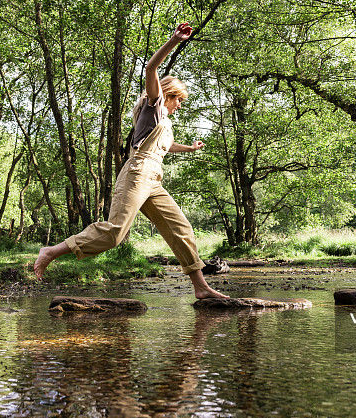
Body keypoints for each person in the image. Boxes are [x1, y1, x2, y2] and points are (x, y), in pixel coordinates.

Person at [34, 22, 228, 300]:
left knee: (181, 228)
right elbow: (151, 68)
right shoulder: (154, 104)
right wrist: (175, 40)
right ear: (169, 94)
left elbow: (165, 145)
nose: (180, 105)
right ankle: (51, 251)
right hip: (137, 173)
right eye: (179, 100)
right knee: (114, 234)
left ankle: (200, 287)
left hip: (153, 178)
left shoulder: (162, 121)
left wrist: (189, 149)